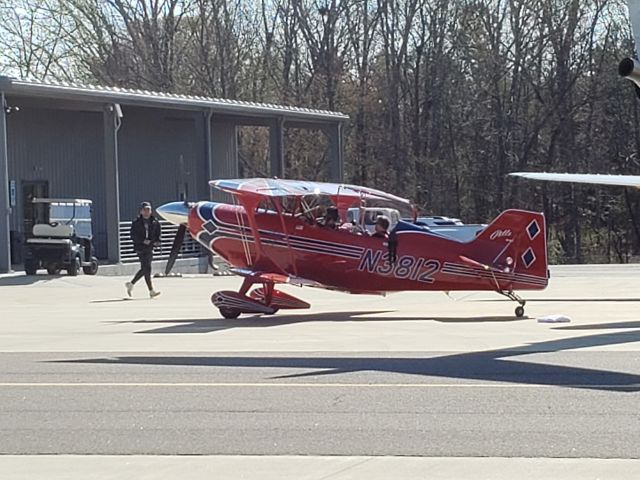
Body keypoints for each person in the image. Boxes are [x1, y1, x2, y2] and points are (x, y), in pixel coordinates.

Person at [125, 202, 161, 298]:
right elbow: (133, 235)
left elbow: (158, 234)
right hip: (140, 247)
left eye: (148, 209)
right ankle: (150, 290)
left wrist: (157, 241)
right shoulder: (136, 222)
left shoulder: (154, 222)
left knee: (146, 268)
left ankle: (132, 284)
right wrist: (142, 241)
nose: (147, 212)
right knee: (146, 268)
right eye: (144, 210)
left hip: (150, 247)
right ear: (141, 211)